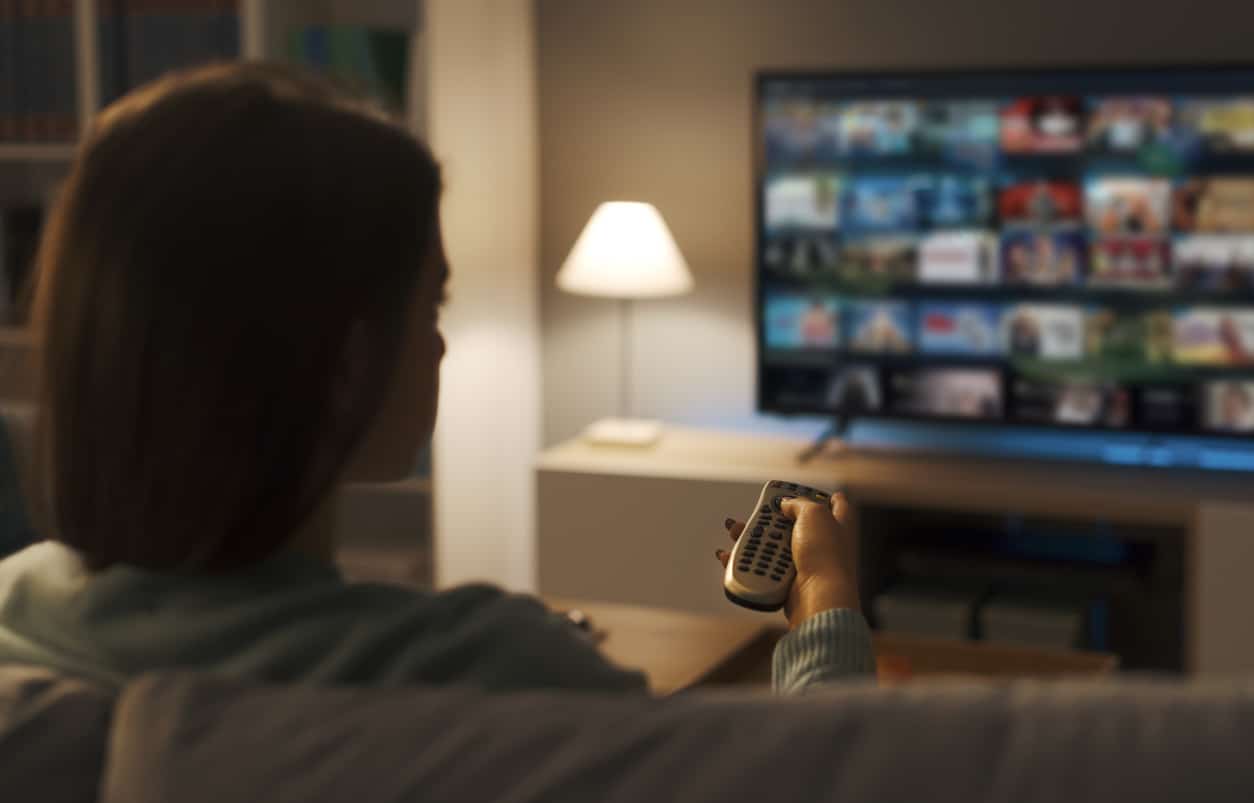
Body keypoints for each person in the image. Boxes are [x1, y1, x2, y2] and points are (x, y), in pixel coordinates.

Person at [0, 63, 872, 694]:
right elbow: (827, 802)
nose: (441, 347)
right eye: (431, 306)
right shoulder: (495, 674)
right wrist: (827, 601)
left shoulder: (19, 612)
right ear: (346, 364)